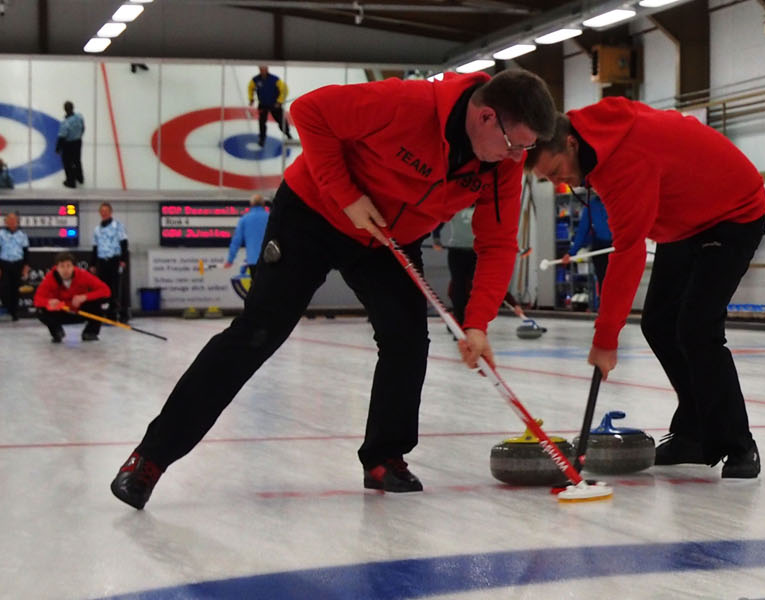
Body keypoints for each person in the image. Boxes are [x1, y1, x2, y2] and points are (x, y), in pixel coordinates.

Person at [110, 68, 557, 510]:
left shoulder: (502, 166)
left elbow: (497, 243)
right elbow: (309, 111)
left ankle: (385, 457)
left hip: (388, 239)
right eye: (515, 144)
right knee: (258, 333)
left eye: (527, 147)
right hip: (314, 213)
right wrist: (346, 195)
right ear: (485, 118)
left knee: (406, 340)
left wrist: (476, 323)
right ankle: (151, 456)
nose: (518, 157)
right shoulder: (407, 103)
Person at [529, 104, 765, 479]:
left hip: (734, 211)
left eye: (558, 171)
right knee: (658, 322)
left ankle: (737, 444)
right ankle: (692, 433)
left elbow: (628, 252)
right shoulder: (592, 144)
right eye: (550, 180)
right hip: (684, 220)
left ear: (571, 144)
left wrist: (605, 339)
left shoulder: (623, 160)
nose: (568, 183)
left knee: (697, 327)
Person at [34, 252, 110, 343]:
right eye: (62, 266)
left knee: (99, 301)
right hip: (61, 311)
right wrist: (48, 302)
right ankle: (56, 331)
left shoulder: (83, 275)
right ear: (57, 268)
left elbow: (105, 290)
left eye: (68, 266)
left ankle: (90, 332)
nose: (65, 270)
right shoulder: (50, 278)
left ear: (73, 267)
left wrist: (84, 297)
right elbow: (37, 299)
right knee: (41, 311)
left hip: (80, 310)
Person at [562, 188, 611, 301]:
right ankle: (604, 311)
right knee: (603, 283)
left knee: (618, 283)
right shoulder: (591, 204)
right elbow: (582, 231)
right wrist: (571, 253)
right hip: (600, 247)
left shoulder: (617, 199)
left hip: (618, 247)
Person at [430, 206, 476, 320]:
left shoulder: (482, 208)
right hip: (456, 251)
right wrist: (436, 240)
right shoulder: (455, 207)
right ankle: (458, 319)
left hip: (476, 251)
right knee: (458, 286)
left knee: (475, 287)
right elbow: (437, 224)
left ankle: (473, 320)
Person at [91, 203, 130, 322]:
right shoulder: (97, 229)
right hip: (103, 261)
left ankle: (122, 313)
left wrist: (123, 259)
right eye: (102, 211)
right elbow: (95, 247)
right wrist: (93, 264)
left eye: (106, 210)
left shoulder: (118, 226)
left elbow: (124, 243)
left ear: (110, 212)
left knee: (117, 287)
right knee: (104, 287)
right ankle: (108, 313)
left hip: (115, 260)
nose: (104, 213)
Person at [225, 194, 270, 279]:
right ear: (264, 204)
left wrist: (230, 260)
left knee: (256, 288)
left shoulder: (245, 219)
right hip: (269, 261)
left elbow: (236, 241)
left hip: (253, 260)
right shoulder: (270, 217)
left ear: (251, 204)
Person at [249, 66, 292, 147]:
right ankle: (262, 138)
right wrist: (251, 98)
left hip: (274, 105)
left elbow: (285, 90)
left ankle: (288, 134)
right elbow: (250, 88)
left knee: (281, 121)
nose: (263, 71)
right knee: (262, 122)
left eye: (264, 69)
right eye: (261, 69)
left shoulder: (275, 79)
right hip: (263, 105)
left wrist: (279, 101)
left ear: (267, 69)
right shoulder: (255, 79)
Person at [0, 212, 29, 321]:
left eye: (14, 220)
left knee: (15, 288)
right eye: (9, 220)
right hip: (4, 263)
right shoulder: (1, 234)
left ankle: (14, 312)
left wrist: (26, 266)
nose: (12, 222)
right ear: (6, 222)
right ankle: (6, 307)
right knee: (4, 288)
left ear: (17, 222)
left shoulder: (22, 235)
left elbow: (26, 251)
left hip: (18, 263)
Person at [57, 101, 85, 188]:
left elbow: (62, 137)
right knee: (77, 160)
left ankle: (71, 181)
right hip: (78, 142)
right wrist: (79, 135)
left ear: (65, 109)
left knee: (67, 163)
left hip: (68, 145)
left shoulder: (65, 123)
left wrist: (58, 148)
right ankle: (80, 178)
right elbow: (83, 127)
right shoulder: (79, 117)